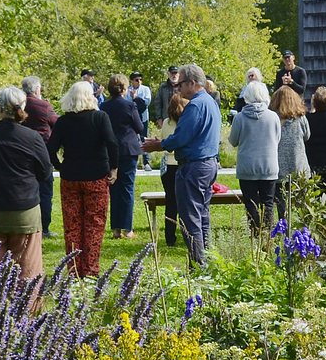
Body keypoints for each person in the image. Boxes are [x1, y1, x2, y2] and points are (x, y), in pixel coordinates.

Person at [0, 85, 52, 284]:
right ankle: (26, 313)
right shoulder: (32, 137)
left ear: (0, 109)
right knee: (27, 273)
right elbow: (45, 172)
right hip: (25, 212)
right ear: (23, 107)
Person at [142, 64, 220, 265]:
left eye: (182, 83)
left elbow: (181, 138)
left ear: (192, 83)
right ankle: (207, 260)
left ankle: (199, 264)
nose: (178, 88)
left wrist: (159, 145)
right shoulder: (211, 102)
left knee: (189, 219)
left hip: (193, 166)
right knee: (202, 216)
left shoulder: (195, 105)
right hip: (208, 164)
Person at [48, 82, 118, 277]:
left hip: (70, 177)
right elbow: (112, 143)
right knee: (94, 224)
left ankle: (74, 270)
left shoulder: (63, 122)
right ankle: (91, 268)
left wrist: (60, 165)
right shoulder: (100, 117)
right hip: (96, 177)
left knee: (72, 225)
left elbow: (50, 148)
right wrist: (114, 167)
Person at [229, 79, 280, 236]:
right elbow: (277, 138)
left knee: (250, 203)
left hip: (247, 167)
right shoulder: (273, 117)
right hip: (268, 165)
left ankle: (255, 233)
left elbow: (233, 141)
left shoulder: (239, 118)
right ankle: (267, 234)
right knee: (268, 203)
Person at [101, 74, 144, 240]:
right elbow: (139, 127)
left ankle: (116, 229)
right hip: (128, 149)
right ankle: (127, 229)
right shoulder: (130, 105)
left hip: (110, 150)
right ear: (125, 89)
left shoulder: (104, 106)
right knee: (127, 189)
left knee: (114, 189)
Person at [21, 76, 58, 238]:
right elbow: (56, 122)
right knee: (45, 191)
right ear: (37, 90)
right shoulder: (43, 105)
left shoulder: (19, 106)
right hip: (42, 153)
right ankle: (44, 227)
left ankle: (26, 223)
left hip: (22, 153)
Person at [271, 85, 311, 224]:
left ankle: (284, 232)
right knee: (302, 205)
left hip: (279, 169)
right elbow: (307, 136)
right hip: (299, 168)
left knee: (282, 207)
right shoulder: (300, 118)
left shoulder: (273, 118)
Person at [156, 91, 188, 247]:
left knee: (170, 202)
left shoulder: (167, 122)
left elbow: (163, 140)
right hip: (181, 164)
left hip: (168, 165)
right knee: (185, 202)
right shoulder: (186, 122)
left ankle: (170, 237)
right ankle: (187, 233)